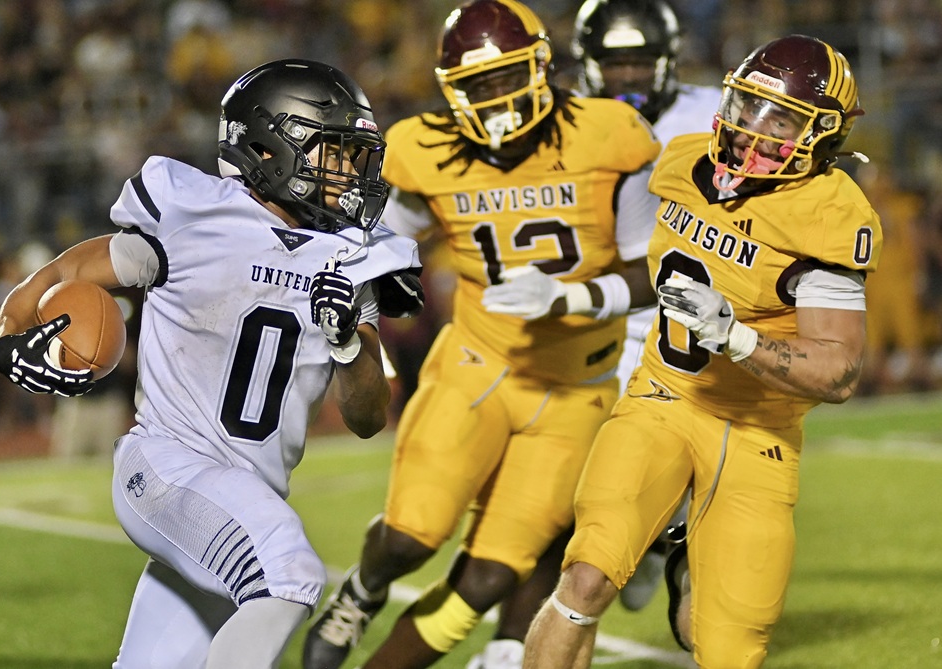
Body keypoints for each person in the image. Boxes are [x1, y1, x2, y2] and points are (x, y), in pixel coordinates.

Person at [0, 58, 423, 669]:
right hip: (168, 464)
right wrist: (12, 330)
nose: (350, 172)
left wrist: (349, 340)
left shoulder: (355, 258)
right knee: (288, 573)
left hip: (246, 494)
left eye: (354, 154)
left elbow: (368, 415)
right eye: (334, 151)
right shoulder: (194, 213)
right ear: (271, 149)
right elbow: (71, 271)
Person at [301, 2, 661, 668]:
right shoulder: (425, 148)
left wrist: (570, 295)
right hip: (478, 368)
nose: (493, 97)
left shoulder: (611, 133)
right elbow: (379, 249)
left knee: (492, 575)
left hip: (575, 391)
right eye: (475, 85)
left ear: (542, 65)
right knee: (412, 536)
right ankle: (362, 587)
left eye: (505, 77)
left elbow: (652, 270)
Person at [521, 34, 881, 669]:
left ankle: (686, 544)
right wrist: (574, 296)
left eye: (781, 119)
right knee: (584, 581)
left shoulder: (827, 216)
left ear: (823, 134)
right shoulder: (680, 163)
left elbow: (839, 369)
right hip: (662, 397)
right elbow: (640, 263)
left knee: (722, 647)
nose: (751, 131)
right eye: (747, 106)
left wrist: (740, 337)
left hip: (756, 432)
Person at [466, 1, 721, 665]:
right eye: (615, 62)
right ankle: (513, 640)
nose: (628, 74)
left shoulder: (717, 114)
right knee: (551, 488)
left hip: (692, 319)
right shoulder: (559, 121)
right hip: (591, 313)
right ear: (588, 65)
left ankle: (664, 541)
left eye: (639, 59)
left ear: (666, 59)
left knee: (682, 471)